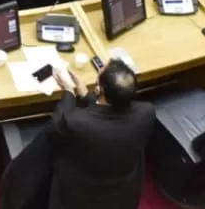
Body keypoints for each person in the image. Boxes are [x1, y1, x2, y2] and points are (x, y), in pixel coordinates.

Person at [49, 59, 156, 209]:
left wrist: (68, 91)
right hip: (121, 189)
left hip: (80, 191)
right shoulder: (147, 112)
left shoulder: (77, 122)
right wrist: (86, 94)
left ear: (99, 90)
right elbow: (110, 110)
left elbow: (56, 126)